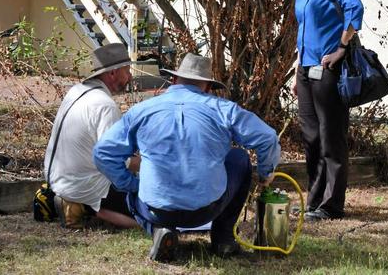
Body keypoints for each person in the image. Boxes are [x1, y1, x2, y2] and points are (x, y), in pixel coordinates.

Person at [93, 53, 281, 261]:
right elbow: (268, 138)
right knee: (240, 158)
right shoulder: (223, 109)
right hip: (207, 209)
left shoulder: (141, 111)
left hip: (155, 209)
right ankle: (224, 240)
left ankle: (160, 230)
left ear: (173, 80)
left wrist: (130, 184)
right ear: (208, 87)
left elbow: (103, 153)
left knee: (131, 190)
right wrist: (265, 175)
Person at [281, 0, 364, 221]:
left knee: (331, 138)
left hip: (329, 69)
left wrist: (341, 47)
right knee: (311, 138)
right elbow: (303, 28)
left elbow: (355, 9)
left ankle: (331, 205)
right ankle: (314, 201)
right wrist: (296, 69)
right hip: (305, 69)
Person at [44, 43, 139, 229]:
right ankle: (85, 206)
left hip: (57, 179)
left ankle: (75, 204)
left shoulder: (77, 91)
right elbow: (115, 160)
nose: (130, 77)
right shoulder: (105, 105)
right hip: (83, 184)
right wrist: (146, 163)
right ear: (112, 73)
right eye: (126, 70)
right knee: (147, 210)